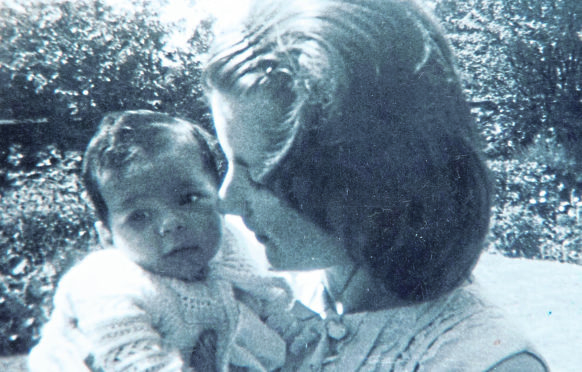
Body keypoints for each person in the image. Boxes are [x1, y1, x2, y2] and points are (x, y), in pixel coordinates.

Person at [203, 0, 549, 370]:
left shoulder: (483, 361)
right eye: (228, 162)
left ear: (370, 177)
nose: (226, 201)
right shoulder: (273, 295)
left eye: (258, 175)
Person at [28, 110, 290, 372]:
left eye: (189, 199)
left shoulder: (231, 250)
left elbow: (282, 312)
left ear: (219, 199)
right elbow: (135, 364)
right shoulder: (109, 284)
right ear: (108, 236)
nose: (170, 224)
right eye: (139, 216)